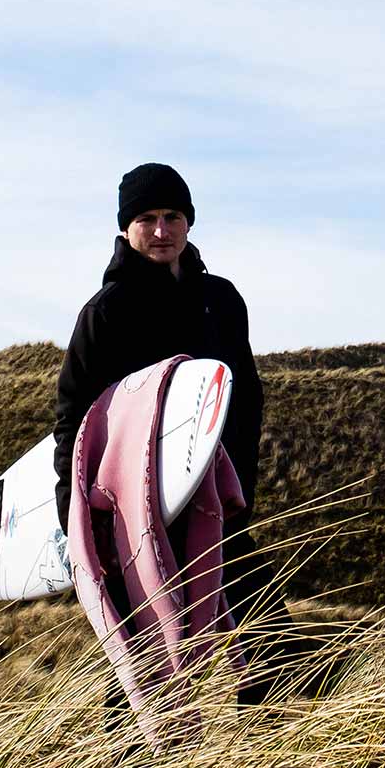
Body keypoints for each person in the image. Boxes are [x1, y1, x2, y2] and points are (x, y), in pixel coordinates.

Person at [53, 162, 292, 710]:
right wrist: (79, 523)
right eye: (147, 219)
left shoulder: (222, 301)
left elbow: (245, 397)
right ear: (125, 229)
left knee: (272, 640)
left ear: (188, 221)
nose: (161, 231)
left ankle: (270, 751)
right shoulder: (105, 314)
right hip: (138, 516)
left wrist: (240, 490)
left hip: (210, 501)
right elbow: (75, 422)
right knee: (145, 656)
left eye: (172, 217)